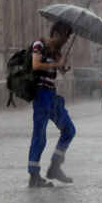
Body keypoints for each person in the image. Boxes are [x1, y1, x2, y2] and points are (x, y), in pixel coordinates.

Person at [27, 21, 76, 188]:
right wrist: (56, 64)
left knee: (69, 129)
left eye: (68, 38)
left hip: (52, 96)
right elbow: (36, 65)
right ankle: (33, 175)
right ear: (56, 34)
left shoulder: (56, 51)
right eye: (65, 37)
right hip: (42, 95)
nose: (65, 40)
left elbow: (62, 71)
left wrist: (63, 63)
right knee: (39, 135)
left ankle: (55, 166)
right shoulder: (40, 43)